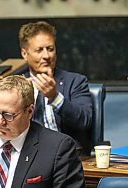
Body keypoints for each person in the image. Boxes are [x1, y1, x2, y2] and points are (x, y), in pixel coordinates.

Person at [18, 21, 93, 154]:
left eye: (50, 49)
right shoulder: (17, 84)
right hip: (27, 155)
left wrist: (55, 97)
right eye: (39, 50)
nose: (46, 56)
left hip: (67, 155)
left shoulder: (75, 81)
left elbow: (84, 121)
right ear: (25, 54)